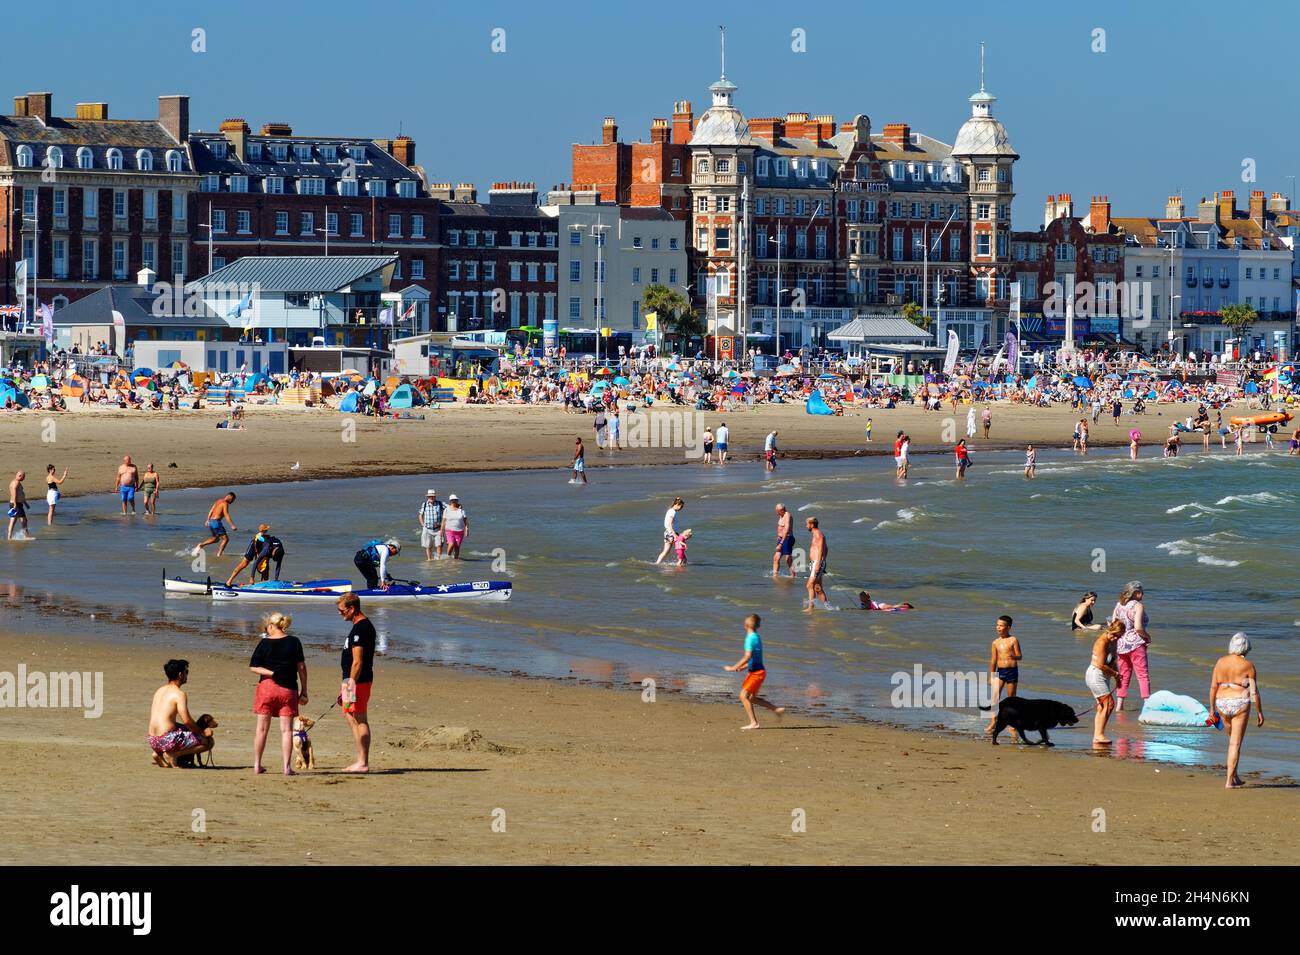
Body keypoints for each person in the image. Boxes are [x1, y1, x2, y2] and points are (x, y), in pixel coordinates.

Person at [248, 612, 307, 776]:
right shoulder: (294, 642)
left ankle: (257, 765)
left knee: (261, 729)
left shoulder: (264, 643)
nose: (266, 630)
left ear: (272, 626)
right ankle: (287, 767)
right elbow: (301, 668)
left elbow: (254, 666)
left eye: (267, 627)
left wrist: (271, 673)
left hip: (267, 687)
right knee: (286, 730)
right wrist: (304, 690)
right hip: (288, 689)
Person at [1209, 633, 1264, 789]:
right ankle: (1229, 782)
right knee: (1235, 743)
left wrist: (1212, 709)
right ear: (1245, 647)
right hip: (1239, 702)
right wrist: (1259, 711)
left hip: (1221, 702)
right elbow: (1254, 692)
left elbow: (1213, 686)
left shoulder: (1220, 662)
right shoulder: (1248, 665)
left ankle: (1235, 776)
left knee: (1231, 741)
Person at [722, 613, 785, 730]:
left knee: (743, 696)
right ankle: (776, 709)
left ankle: (754, 723)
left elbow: (747, 656)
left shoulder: (750, 638)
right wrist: (744, 667)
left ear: (745, 625)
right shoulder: (757, 637)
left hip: (756, 673)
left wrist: (733, 667)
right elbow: (755, 658)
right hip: (758, 671)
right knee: (751, 698)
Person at [147, 659, 214, 768]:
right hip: (166, 740)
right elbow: (187, 721)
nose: (187, 675)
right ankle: (174, 754)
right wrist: (202, 732)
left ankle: (158, 753)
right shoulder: (179, 694)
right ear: (180, 674)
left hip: (153, 740)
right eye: (186, 672)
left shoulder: (159, 690)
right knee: (209, 742)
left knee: (181, 729)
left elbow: (163, 719)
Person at [337, 593, 376, 772]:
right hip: (350, 680)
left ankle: (363, 762)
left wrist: (351, 682)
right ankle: (360, 758)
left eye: (342, 610)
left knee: (359, 717)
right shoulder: (357, 626)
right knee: (349, 714)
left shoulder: (361, 628)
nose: (340, 613)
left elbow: (358, 661)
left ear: (352, 609)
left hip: (357, 681)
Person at [1112, 581, 1152, 711]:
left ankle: (1119, 705)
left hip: (1121, 644)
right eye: (1141, 592)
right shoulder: (1138, 606)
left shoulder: (1118, 605)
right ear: (1136, 593)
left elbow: (1113, 624)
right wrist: (1147, 636)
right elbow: (1138, 627)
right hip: (1136, 644)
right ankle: (1147, 704)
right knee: (1142, 674)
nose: (1143, 594)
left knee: (1123, 674)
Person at [983, 615, 1021, 738]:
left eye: (1001, 625)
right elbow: (993, 660)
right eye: (997, 625)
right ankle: (993, 721)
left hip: (1012, 671)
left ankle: (1012, 724)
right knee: (995, 697)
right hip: (1000, 671)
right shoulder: (995, 642)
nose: (998, 627)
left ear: (1008, 627)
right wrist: (992, 675)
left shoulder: (1013, 640)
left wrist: (1013, 656)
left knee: (1011, 699)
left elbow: (1020, 656)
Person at [1085, 621, 1123, 745]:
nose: (1116, 637)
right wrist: (1116, 674)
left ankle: (1097, 735)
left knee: (1102, 707)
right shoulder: (1102, 642)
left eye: (1119, 636)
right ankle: (1099, 735)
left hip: (1104, 676)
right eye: (1115, 634)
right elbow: (1101, 665)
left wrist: (1117, 678)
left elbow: (1112, 662)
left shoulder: (1114, 642)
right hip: (1096, 674)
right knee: (1109, 705)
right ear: (1109, 630)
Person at [196, 492, 238, 557]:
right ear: (230, 497)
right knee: (226, 539)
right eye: (233, 500)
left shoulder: (218, 501)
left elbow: (211, 510)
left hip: (211, 522)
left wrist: (207, 520)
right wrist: (232, 525)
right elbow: (226, 515)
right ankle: (219, 554)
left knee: (216, 539)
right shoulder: (225, 503)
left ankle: (201, 545)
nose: (232, 502)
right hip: (216, 522)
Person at [804, 516, 828, 613]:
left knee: (809, 585)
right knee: (818, 588)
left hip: (817, 564)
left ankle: (811, 607)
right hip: (815, 563)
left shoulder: (819, 534)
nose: (806, 526)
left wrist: (819, 563)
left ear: (812, 524)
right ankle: (828, 607)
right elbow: (827, 549)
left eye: (807, 524)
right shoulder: (815, 534)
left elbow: (823, 549)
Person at [418, 489, 446, 561]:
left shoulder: (440, 503)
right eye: (430, 496)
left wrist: (458, 506)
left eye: (433, 496)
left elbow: (449, 508)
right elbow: (420, 515)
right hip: (427, 528)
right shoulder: (424, 504)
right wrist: (422, 524)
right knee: (428, 546)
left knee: (439, 545)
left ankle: (439, 560)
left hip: (438, 529)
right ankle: (429, 559)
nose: (431, 498)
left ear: (435, 497)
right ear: (427, 497)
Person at [656, 497, 684, 564]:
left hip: (668, 532)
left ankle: (657, 563)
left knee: (666, 551)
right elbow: (669, 524)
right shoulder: (672, 512)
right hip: (671, 533)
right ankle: (681, 563)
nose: (681, 508)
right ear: (677, 504)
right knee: (680, 548)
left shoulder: (670, 510)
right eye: (681, 506)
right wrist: (674, 534)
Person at [440, 495, 468, 559]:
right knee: (451, 544)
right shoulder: (446, 510)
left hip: (459, 531)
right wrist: (442, 530)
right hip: (449, 530)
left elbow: (466, 521)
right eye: (452, 500)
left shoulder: (461, 511)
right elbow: (443, 521)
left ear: (457, 501)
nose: (454, 501)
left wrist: (467, 529)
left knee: (457, 546)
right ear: (450, 501)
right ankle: (448, 557)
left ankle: (455, 560)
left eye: (455, 500)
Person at [772, 503, 795, 578]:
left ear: (781, 510)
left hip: (787, 539)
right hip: (781, 539)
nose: (776, 512)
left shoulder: (787, 515)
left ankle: (793, 575)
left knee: (788, 559)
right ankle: (775, 575)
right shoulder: (781, 515)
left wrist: (781, 543)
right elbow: (780, 528)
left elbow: (786, 529)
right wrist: (779, 537)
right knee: (776, 558)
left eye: (777, 510)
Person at [7, 470, 30, 541]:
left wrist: (25, 503)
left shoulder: (15, 482)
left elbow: (21, 494)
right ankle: (26, 536)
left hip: (17, 503)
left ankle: (9, 537)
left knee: (14, 520)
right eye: (24, 477)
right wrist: (15, 504)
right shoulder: (16, 482)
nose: (24, 478)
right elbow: (14, 493)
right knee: (23, 520)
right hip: (16, 504)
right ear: (20, 476)